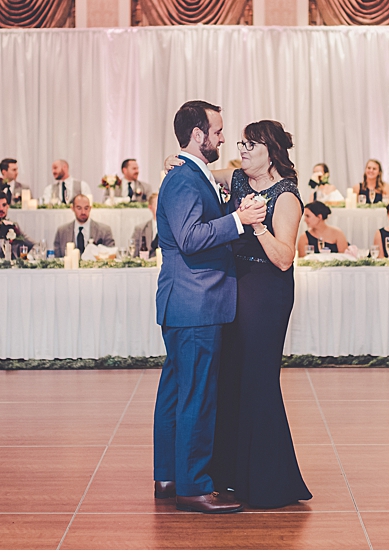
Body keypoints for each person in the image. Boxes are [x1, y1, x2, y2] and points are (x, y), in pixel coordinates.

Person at [153, 98, 266, 513]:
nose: (223, 138)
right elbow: (190, 237)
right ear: (198, 135)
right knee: (196, 396)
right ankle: (195, 488)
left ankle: (168, 477)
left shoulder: (190, 173)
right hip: (195, 303)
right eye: (217, 132)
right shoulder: (185, 179)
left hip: (186, 302)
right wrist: (240, 219)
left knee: (176, 393)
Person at [215, 119, 312, 509]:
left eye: (250, 145)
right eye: (241, 143)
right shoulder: (237, 178)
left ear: (271, 151)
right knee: (231, 376)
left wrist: (255, 225)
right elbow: (192, 165)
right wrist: (174, 159)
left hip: (266, 289)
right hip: (233, 283)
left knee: (257, 379)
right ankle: (231, 475)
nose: (242, 150)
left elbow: (285, 258)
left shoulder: (286, 196)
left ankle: (270, 482)